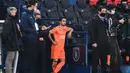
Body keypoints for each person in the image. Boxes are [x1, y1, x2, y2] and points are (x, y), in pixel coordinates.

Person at [88, 6, 109, 73]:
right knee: (95, 58)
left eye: (105, 11)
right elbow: (92, 32)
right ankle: (94, 71)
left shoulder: (105, 21)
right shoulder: (94, 20)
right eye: (103, 11)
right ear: (99, 11)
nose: (104, 12)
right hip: (96, 42)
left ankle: (104, 70)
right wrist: (93, 42)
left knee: (104, 58)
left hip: (104, 42)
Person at [20, 0, 39, 73]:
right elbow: (23, 28)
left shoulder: (32, 14)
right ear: (32, 5)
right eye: (36, 6)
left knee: (32, 57)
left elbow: (33, 25)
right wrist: (34, 31)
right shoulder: (25, 15)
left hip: (33, 39)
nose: (36, 7)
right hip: (27, 39)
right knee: (27, 57)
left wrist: (38, 29)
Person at [1, 7, 21, 73]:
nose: (14, 13)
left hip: (14, 42)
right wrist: (7, 42)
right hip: (10, 43)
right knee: (10, 59)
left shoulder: (14, 21)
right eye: (13, 12)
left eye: (15, 11)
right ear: (9, 12)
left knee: (14, 58)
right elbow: (4, 34)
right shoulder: (8, 22)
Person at [106, 4, 124, 73]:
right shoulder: (107, 16)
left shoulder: (112, 16)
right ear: (109, 10)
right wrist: (118, 22)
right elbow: (110, 25)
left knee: (118, 54)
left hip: (114, 36)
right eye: (113, 9)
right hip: (109, 37)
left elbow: (114, 25)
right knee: (114, 53)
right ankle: (113, 69)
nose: (114, 11)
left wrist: (119, 23)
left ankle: (117, 68)